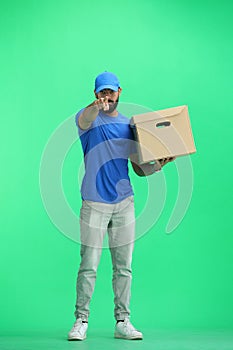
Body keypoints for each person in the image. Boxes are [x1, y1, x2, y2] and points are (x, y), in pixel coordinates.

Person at [68, 71, 173, 341]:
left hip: (124, 203)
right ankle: (81, 320)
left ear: (119, 92)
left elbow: (138, 168)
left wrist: (159, 164)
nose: (106, 97)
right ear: (95, 94)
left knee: (123, 266)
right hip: (94, 201)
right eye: (101, 92)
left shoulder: (129, 126)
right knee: (89, 264)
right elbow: (85, 117)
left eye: (110, 92)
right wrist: (94, 108)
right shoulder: (88, 120)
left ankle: (122, 321)